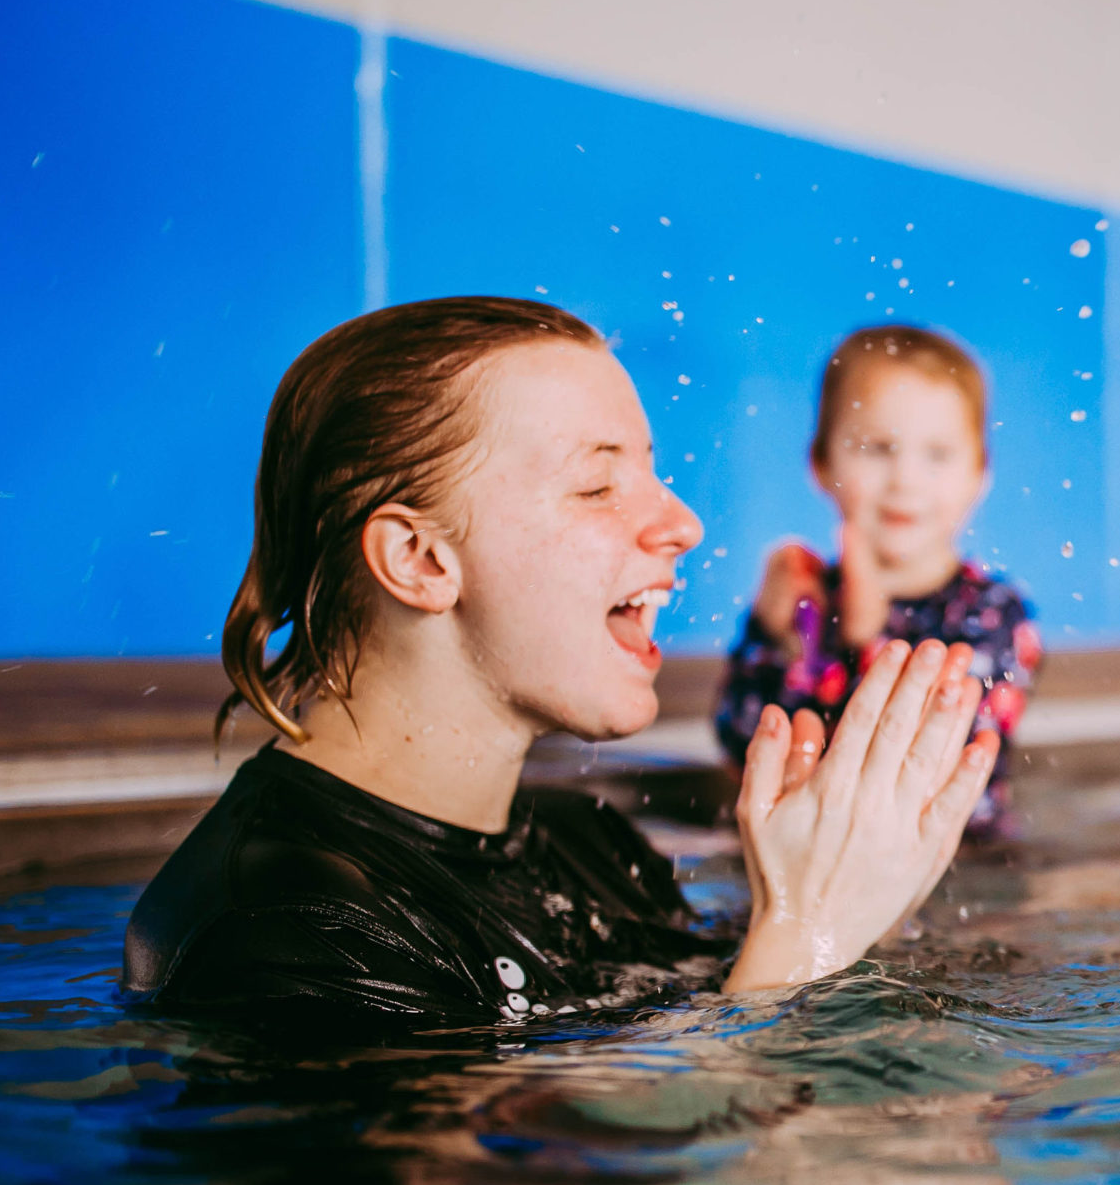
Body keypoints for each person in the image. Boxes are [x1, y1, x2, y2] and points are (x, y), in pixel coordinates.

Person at [123, 297, 996, 1032]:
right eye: (598, 485)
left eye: (653, 475)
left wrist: (856, 886)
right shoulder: (288, 931)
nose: (684, 524)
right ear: (421, 560)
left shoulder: (593, 847)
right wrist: (801, 934)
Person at [717, 325, 1039, 835]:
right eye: (877, 448)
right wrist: (775, 637)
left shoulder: (996, 610)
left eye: (937, 455)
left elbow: (941, 758)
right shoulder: (806, 597)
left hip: (961, 863)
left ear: (980, 475)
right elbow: (737, 743)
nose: (905, 480)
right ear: (821, 464)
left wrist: (867, 638)